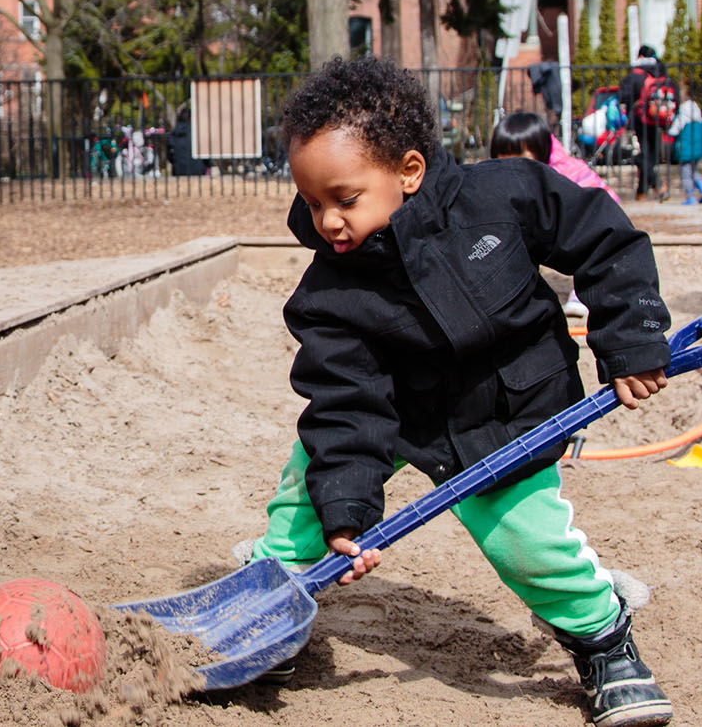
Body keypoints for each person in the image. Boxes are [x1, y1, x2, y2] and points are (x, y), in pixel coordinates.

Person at [233, 57, 676, 727]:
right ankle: (270, 610)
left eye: (344, 199)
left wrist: (633, 340)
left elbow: (604, 240)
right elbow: (347, 403)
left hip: (505, 411)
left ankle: (603, 635)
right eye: (312, 201)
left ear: (408, 172)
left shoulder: (501, 194)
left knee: (527, 545)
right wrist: (349, 510)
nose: (326, 221)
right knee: (305, 501)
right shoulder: (331, 292)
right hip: (398, 416)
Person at [488, 111, 620, 319]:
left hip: (591, 216)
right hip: (552, 219)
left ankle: (584, 295)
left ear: (540, 154)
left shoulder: (562, 175)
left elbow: (590, 203)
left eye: (519, 161)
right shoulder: (504, 181)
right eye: (501, 161)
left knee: (584, 252)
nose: (509, 169)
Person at [618, 45, 673, 201]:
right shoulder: (661, 71)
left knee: (641, 156)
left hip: (640, 120)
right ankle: (641, 192)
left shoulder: (635, 74)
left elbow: (623, 96)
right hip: (658, 119)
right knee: (651, 155)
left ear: (641, 56)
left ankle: (658, 184)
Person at [668, 98, 702, 205]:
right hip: (698, 152)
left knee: (686, 174)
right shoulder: (700, 121)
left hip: (685, 151)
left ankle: (690, 196)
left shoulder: (683, 118)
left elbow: (673, 131)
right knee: (693, 171)